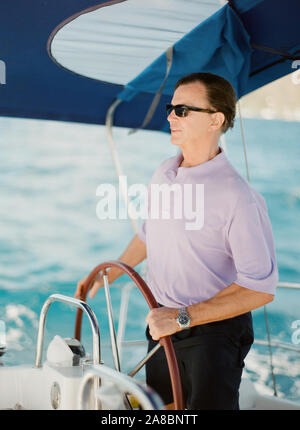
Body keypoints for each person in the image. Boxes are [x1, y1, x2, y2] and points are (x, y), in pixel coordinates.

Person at [75, 72, 278, 410]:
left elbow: (260, 288)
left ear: (215, 119)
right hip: (163, 324)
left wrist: (182, 317)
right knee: (167, 409)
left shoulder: (238, 197)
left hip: (213, 332)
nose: (170, 116)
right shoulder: (164, 173)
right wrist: (112, 273)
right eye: (171, 108)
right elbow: (147, 234)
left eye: (183, 110)